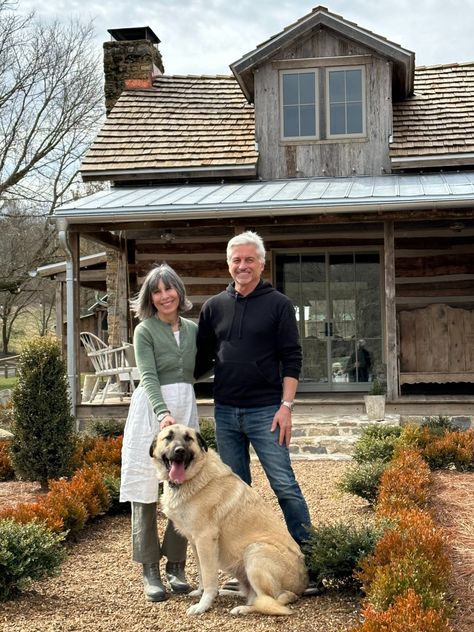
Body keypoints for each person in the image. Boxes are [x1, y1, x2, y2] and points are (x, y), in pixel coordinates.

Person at [194, 230, 313, 557]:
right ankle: (241, 562)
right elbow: (199, 359)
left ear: (262, 264)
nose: (242, 265)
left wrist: (286, 406)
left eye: (249, 259)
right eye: (237, 260)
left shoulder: (279, 305)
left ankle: (312, 559)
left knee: (285, 487)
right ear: (228, 264)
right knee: (234, 492)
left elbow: (292, 358)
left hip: (267, 412)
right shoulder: (213, 307)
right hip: (226, 412)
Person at [120, 263, 199, 602]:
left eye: (170, 289)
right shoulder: (145, 331)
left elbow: (207, 363)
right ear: (150, 298)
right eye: (157, 291)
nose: (165, 296)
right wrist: (162, 412)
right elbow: (149, 376)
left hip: (187, 405)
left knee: (186, 488)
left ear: (179, 292)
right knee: (146, 489)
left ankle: (176, 565)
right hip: (152, 410)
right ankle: (150, 568)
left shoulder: (194, 329)